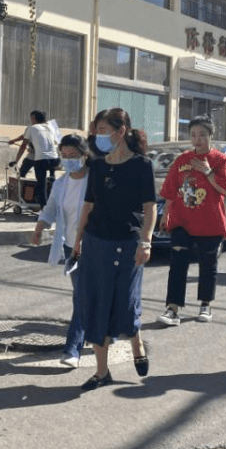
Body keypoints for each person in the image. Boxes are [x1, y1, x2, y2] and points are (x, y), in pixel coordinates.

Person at [72, 108, 155, 390]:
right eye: (97, 130)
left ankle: (136, 340)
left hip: (128, 242)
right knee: (96, 304)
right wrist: (78, 239)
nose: (98, 136)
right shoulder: (96, 165)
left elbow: (149, 207)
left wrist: (146, 240)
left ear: (121, 132)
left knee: (125, 302)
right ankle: (101, 371)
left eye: (104, 130)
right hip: (96, 241)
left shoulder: (142, 165)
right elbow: (88, 205)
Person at [156, 117, 226, 326]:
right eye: (193, 135)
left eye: (201, 135)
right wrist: (166, 215)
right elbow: (170, 190)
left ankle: (205, 305)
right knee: (178, 263)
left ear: (210, 136)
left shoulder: (220, 160)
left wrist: (208, 172)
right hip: (183, 221)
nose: (197, 139)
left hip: (210, 222)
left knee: (208, 265)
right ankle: (172, 309)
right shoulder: (182, 160)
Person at [31, 134, 90, 367]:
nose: (68, 161)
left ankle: (72, 349)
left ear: (85, 156)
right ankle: (105, 333)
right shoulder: (61, 183)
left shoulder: (95, 181)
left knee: (83, 296)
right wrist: (39, 229)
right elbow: (50, 209)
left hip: (95, 246)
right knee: (84, 296)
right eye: (64, 156)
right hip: (70, 247)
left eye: (73, 156)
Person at [9, 110, 59, 208]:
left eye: (31, 118)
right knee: (50, 180)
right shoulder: (51, 127)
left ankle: (44, 210)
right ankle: (53, 201)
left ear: (34, 119)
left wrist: (16, 161)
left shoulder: (32, 128)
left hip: (41, 159)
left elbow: (23, 145)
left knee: (41, 184)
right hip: (55, 159)